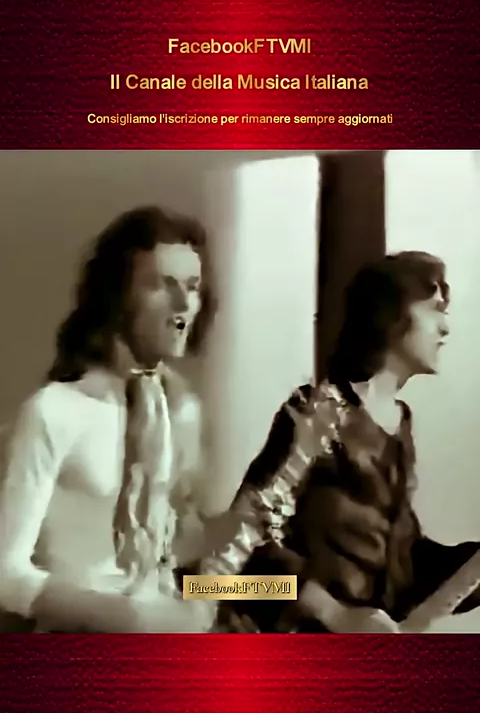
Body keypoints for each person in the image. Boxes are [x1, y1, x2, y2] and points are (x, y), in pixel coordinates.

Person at [200, 251, 480, 633]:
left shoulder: (399, 426)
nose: (445, 328)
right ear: (392, 314)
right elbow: (239, 548)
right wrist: (334, 614)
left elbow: (400, 567)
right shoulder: (317, 412)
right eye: (435, 309)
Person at [0, 205, 217, 633]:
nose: (183, 304)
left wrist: (274, 589)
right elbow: (7, 575)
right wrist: (132, 621)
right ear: (117, 298)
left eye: (193, 287)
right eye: (162, 285)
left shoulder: (181, 412)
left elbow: (173, 568)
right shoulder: (55, 411)